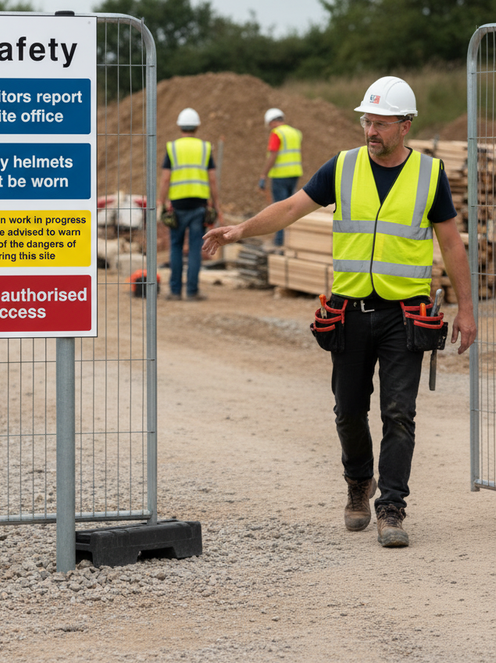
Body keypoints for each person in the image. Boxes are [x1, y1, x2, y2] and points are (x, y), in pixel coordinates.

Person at [203, 76, 477, 548]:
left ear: (405, 126)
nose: (370, 130)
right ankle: (358, 482)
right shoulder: (343, 167)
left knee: (399, 413)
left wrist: (468, 310)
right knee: (348, 410)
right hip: (349, 311)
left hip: (404, 314)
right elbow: (291, 208)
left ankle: (391, 506)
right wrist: (240, 231)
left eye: (381, 123)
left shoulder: (430, 176)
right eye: (367, 120)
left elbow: (451, 242)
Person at [160, 107, 220, 301]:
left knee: (175, 247)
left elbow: (165, 179)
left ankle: (175, 291)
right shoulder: (205, 148)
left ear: (179, 126)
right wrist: (216, 205)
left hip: (177, 205)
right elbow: (212, 180)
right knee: (195, 248)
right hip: (199, 205)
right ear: (197, 126)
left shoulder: (172, 148)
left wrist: (161, 203)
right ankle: (192, 291)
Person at [258, 108, 303, 247]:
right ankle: (289, 240)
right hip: (294, 173)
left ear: (272, 122)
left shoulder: (277, 133)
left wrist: (263, 175)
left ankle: (279, 241)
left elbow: (273, 155)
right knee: (291, 208)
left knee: (280, 210)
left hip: (280, 176)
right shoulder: (295, 133)